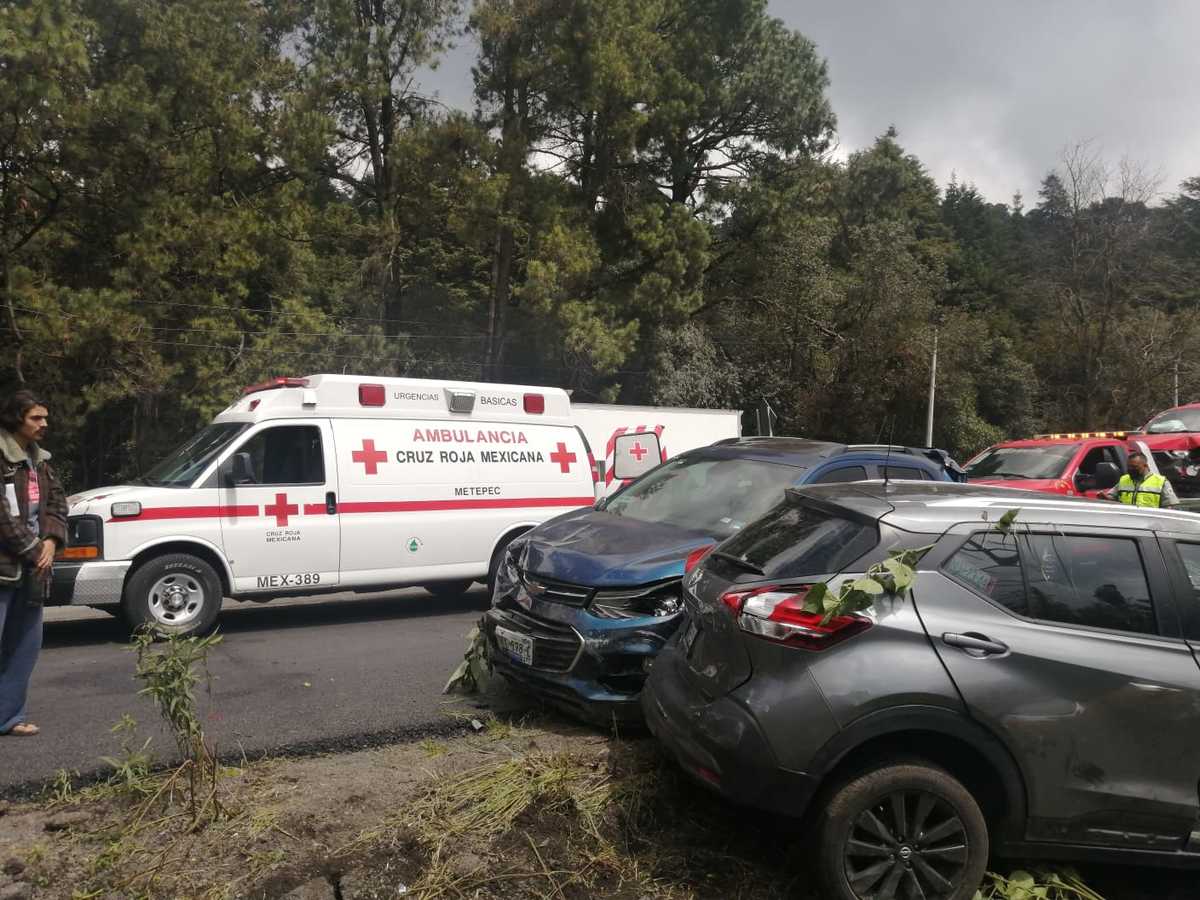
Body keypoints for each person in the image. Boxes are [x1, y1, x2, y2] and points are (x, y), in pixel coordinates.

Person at [0, 389, 68, 737]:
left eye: (45, 417)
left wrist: (52, 543)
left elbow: (58, 503)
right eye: (36, 418)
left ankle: (9, 718)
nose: (44, 424)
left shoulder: (40, 460)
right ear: (16, 419)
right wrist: (33, 548)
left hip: (34, 569)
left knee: (25, 645)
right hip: (6, 566)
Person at [1100, 451, 1178, 509]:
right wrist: (1105, 497)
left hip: (1150, 524)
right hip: (1128, 521)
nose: (1130, 469)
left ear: (1145, 466)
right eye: (1129, 466)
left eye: (1134, 467)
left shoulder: (1161, 482)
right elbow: (1112, 498)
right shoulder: (1124, 479)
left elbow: (1169, 508)